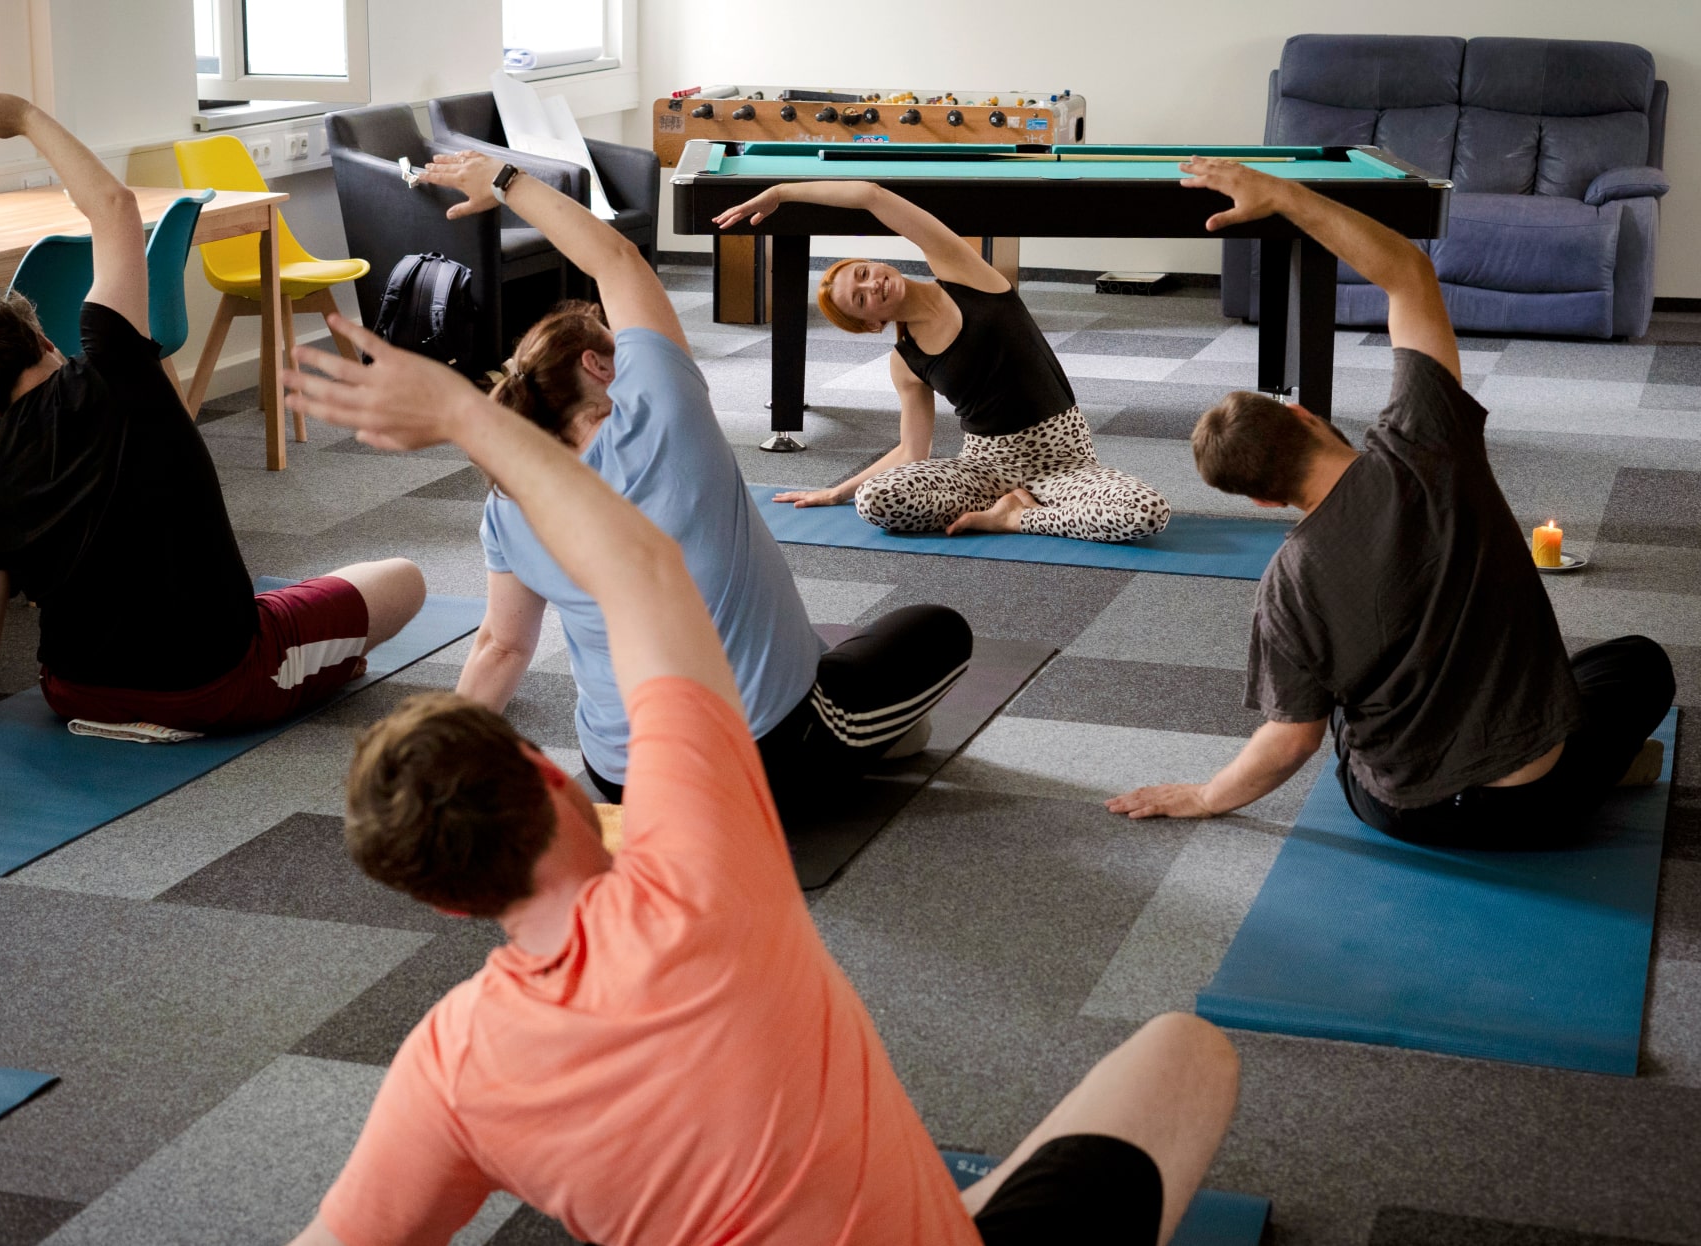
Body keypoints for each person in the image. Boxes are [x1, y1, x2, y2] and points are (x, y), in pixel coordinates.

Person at [278, 315, 1240, 1245]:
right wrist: (458, 411)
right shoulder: (703, 868)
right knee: (1187, 1050)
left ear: (447, 904)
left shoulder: (447, 1066)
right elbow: (644, 570)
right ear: (544, 772)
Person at [1107, 157, 1674, 846]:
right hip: (1531, 801)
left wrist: (1202, 796)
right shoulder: (1428, 438)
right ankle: (1594, 770)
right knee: (1639, 663)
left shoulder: (1284, 589)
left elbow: (1291, 740)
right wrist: (1282, 195)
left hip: (1408, 816)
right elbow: (1407, 270)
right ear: (1309, 418)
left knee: (1334, 691)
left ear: (1259, 500)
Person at [417, 150, 971, 810]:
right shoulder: (662, 410)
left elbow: (502, 646)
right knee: (937, 630)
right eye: (615, 342)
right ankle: (877, 740)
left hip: (622, 778)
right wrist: (504, 180)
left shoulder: (507, 501)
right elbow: (616, 260)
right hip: (768, 757)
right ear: (599, 367)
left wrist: (437, 775)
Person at [0, 88, 424, 732]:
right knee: (402, 578)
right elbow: (113, 207)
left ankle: (304, 649)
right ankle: (308, 659)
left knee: (283, 605)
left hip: (75, 693)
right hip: (211, 687)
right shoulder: (116, 362)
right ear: (44, 341)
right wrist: (21, 118)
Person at [713, 180, 1170, 544]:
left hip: (1064, 463)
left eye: (865, 273)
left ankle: (1015, 519)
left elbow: (872, 196)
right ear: (870, 324)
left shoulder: (964, 273)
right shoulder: (905, 363)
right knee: (876, 502)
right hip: (984, 468)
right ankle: (1008, 507)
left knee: (1145, 513)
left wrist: (780, 193)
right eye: (861, 298)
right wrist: (838, 491)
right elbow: (913, 453)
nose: (874, 286)